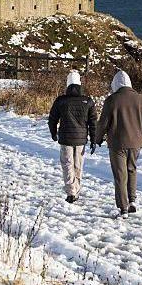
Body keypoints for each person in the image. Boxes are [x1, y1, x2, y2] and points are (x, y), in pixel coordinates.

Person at [95, 70, 142, 218]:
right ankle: (132, 201)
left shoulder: (111, 100)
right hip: (135, 142)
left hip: (117, 143)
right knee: (132, 170)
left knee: (120, 175)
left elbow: (103, 123)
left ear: (115, 84)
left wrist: (97, 139)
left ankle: (123, 208)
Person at [48, 69, 97, 204]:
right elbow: (93, 122)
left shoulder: (61, 101)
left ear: (68, 85)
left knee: (67, 164)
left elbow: (52, 119)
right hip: (81, 139)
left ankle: (71, 192)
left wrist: (53, 132)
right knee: (78, 165)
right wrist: (94, 140)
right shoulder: (88, 101)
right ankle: (76, 189)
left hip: (65, 138)